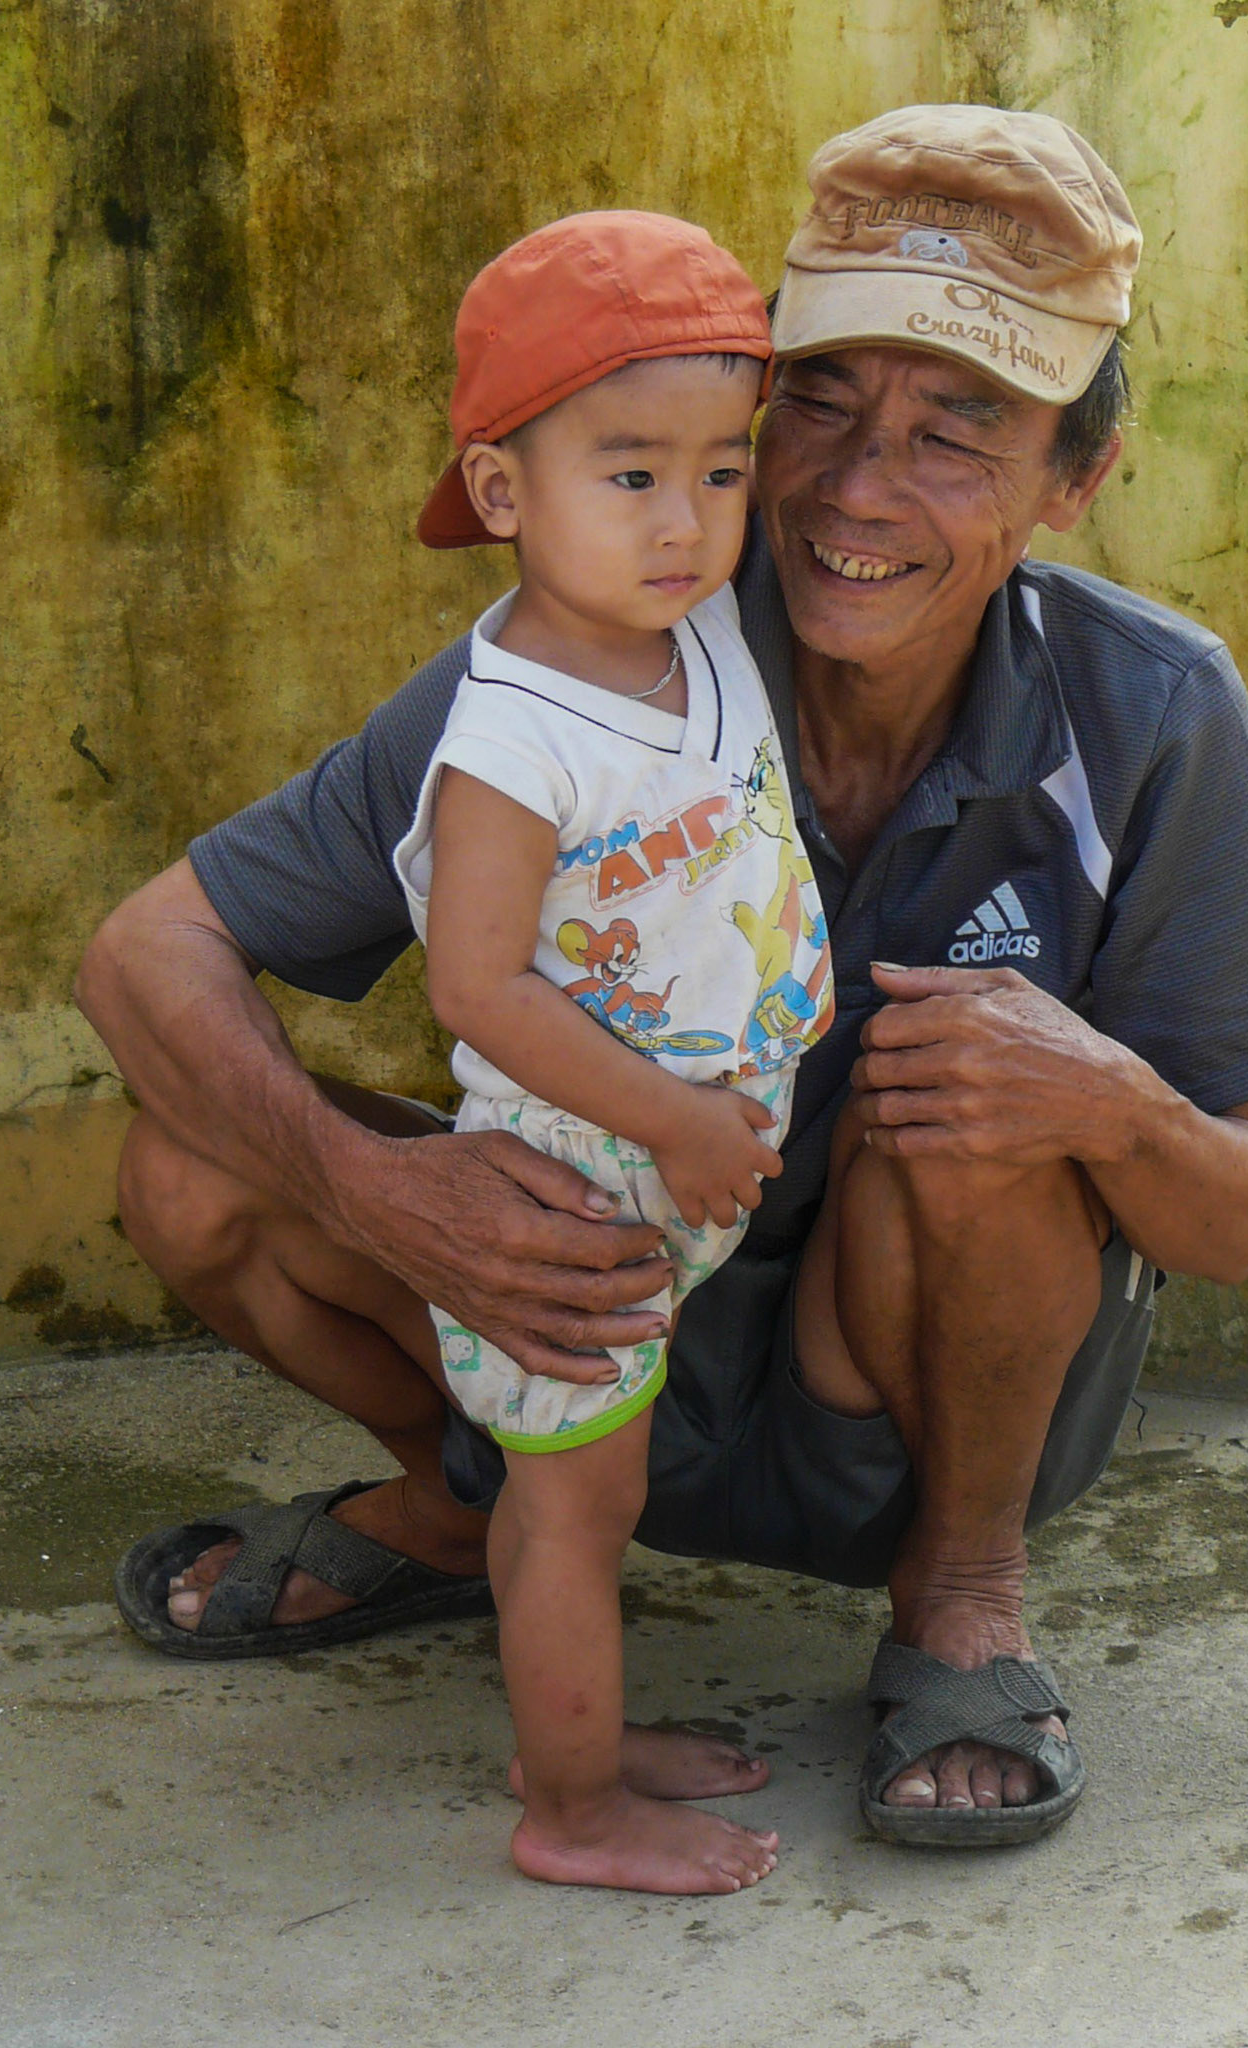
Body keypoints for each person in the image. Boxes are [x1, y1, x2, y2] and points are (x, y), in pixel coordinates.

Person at [81, 105, 1248, 1852]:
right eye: (818, 403)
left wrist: (1104, 1100)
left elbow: (1242, 1219)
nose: (852, 487)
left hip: (901, 1390)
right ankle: (467, 1508)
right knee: (194, 1162)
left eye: (958, 427)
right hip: (584, 1311)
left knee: (974, 1082)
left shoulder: (1145, 712)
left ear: (1075, 479)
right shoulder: (601, 638)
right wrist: (379, 1191)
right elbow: (143, 949)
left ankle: (960, 1602)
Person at [390, 210, 832, 1894]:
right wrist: (671, 1120)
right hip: (577, 1189)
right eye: (628, 474)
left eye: (721, 470)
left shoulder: (691, 632)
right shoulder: (511, 735)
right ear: (503, 494)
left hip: (673, 1168)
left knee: (584, 1498)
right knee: (576, 1509)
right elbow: (477, 988)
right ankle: (568, 1812)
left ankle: (571, 1727)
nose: (688, 521)